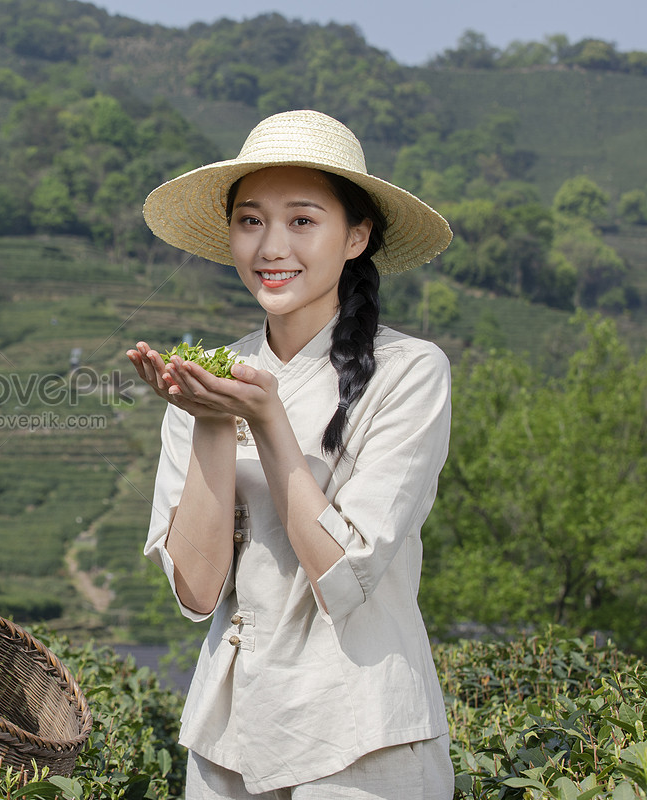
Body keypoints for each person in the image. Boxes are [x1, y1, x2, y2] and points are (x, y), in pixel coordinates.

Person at [125, 109, 455, 799]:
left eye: (302, 220)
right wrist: (212, 421)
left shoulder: (409, 371)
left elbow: (344, 577)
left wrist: (267, 419)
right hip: (231, 734)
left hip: (361, 735)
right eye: (250, 221)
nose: (271, 245)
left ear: (357, 235)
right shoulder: (207, 378)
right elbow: (196, 592)